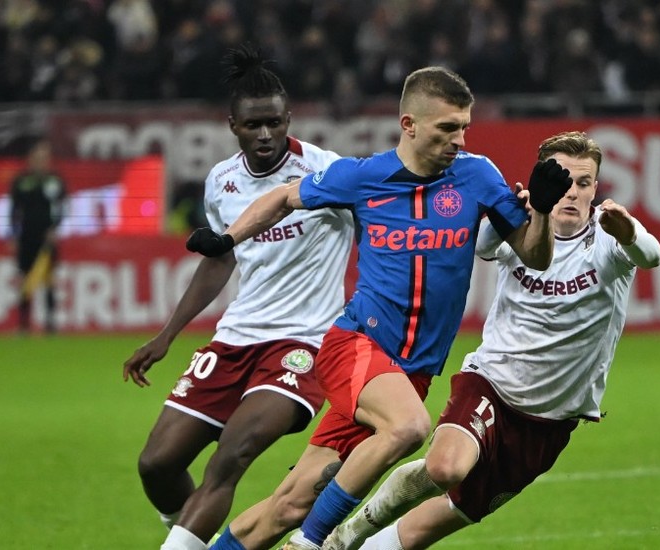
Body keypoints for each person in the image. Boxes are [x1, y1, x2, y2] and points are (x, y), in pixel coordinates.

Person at [187, 66, 574, 550]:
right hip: (356, 346)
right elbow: (284, 197)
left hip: (410, 374)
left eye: (464, 127)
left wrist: (539, 209)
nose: (459, 139)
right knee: (410, 427)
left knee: (290, 502)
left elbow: (534, 256)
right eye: (447, 128)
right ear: (409, 125)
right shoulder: (363, 176)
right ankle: (310, 545)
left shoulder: (477, 176)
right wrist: (226, 237)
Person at [324, 131, 660, 550]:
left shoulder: (609, 234)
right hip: (491, 385)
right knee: (446, 467)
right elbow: (483, 246)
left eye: (584, 183)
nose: (572, 193)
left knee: (433, 524)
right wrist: (517, 212)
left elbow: (651, 255)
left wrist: (628, 231)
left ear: (595, 187)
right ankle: (342, 538)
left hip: (551, 420)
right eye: (562, 182)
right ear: (542, 181)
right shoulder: (522, 225)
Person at [123, 43, 354, 550]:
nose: (266, 134)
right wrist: (168, 335)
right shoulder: (222, 181)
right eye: (254, 125)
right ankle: (196, 539)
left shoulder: (328, 172)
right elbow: (221, 259)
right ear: (233, 125)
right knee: (157, 464)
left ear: (289, 117)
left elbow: (386, 225)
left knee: (229, 457)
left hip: (303, 343)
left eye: (275, 122)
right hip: (234, 339)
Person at [9, 138, 67, 334]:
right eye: (38, 157)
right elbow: (13, 210)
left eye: (45, 157)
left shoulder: (55, 181)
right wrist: (14, 236)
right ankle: (24, 323)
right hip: (26, 238)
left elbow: (63, 208)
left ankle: (51, 323)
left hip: (47, 239)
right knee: (25, 279)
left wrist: (55, 228)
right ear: (30, 159)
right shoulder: (21, 181)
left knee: (49, 280)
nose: (41, 161)